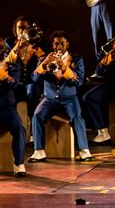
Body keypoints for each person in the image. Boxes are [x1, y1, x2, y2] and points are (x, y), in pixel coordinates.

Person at [28, 30, 93, 162]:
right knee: (36, 116)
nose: (59, 47)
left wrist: (64, 68)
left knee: (77, 117)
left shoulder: (77, 60)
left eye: (62, 44)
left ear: (67, 44)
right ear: (52, 45)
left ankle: (84, 150)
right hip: (49, 98)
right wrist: (45, 63)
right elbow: (35, 78)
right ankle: (39, 151)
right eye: (56, 44)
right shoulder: (43, 59)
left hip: (69, 99)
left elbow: (78, 82)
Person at [4, 16, 48, 140]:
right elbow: (6, 62)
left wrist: (36, 50)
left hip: (31, 82)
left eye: (25, 28)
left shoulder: (38, 43)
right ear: (15, 29)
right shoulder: (8, 43)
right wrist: (17, 47)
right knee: (9, 96)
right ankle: (12, 130)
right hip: (15, 82)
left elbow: (45, 60)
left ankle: (34, 133)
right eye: (19, 28)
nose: (22, 31)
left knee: (32, 92)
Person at [0, 38, 26, 177]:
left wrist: (2, 74)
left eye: (0, 47)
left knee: (18, 128)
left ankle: (19, 164)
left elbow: (12, 84)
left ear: (5, 49)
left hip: (7, 109)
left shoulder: (13, 66)